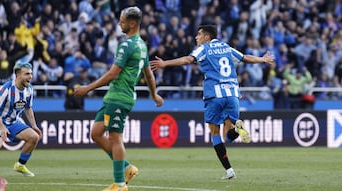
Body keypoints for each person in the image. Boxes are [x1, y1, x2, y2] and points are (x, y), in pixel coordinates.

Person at [150, 25, 275, 179]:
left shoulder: (204, 48)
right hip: (232, 94)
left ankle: (229, 170)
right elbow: (245, 58)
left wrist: (165, 63)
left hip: (214, 95)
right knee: (228, 136)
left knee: (215, 134)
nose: (196, 38)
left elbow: (188, 59)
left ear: (207, 37)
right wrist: (263, 59)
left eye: (199, 35)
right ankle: (237, 130)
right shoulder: (226, 47)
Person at [74, 6, 164, 191]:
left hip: (120, 97)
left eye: (122, 21)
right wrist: (154, 94)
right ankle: (126, 168)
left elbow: (113, 74)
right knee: (96, 133)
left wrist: (87, 88)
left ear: (132, 24)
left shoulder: (127, 45)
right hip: (113, 96)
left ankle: (120, 184)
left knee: (115, 138)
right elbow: (149, 75)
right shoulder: (142, 45)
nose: (119, 23)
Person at [0, 62, 42, 177]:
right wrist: (2, 127)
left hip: (14, 122)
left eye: (31, 74)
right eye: (27, 74)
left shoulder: (29, 89)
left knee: (34, 137)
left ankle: (20, 165)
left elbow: (28, 108)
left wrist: (34, 125)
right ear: (18, 75)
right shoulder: (6, 89)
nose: (30, 76)